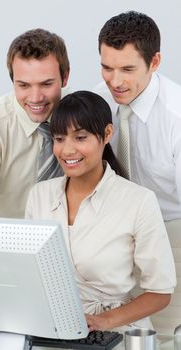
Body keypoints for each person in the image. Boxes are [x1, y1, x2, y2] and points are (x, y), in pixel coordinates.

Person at [25, 91, 176, 331]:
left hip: (116, 331)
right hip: (55, 327)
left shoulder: (139, 201)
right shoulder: (39, 195)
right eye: (60, 139)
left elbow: (160, 292)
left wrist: (103, 321)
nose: (67, 150)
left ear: (107, 134)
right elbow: (31, 275)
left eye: (80, 137)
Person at [0, 28, 70, 218]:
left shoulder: (78, 112)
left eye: (46, 84)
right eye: (23, 85)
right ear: (13, 81)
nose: (35, 98)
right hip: (9, 241)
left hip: (71, 238)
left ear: (64, 77)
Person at [94, 11, 181, 229]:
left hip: (169, 226)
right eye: (107, 68)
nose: (115, 82)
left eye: (127, 69)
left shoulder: (176, 116)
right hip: (112, 224)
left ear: (154, 62)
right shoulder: (99, 101)